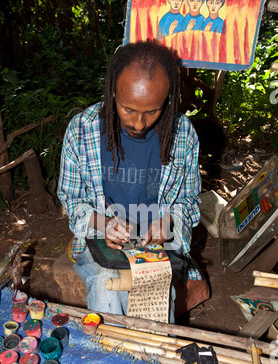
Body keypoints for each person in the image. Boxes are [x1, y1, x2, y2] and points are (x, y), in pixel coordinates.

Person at [57, 40, 203, 323]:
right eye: (128, 109)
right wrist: (103, 223)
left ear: (168, 98)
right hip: (101, 242)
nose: (139, 123)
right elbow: (72, 200)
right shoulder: (82, 131)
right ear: (113, 91)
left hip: (156, 246)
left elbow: (190, 200)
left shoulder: (183, 134)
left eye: (152, 111)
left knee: (156, 290)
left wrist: (169, 221)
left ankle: (154, 363)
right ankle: (113, 361)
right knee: (106, 285)